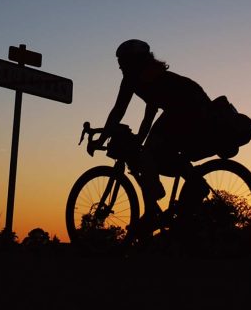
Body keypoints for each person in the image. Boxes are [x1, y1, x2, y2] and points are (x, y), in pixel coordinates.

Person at [88, 39, 214, 229]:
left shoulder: (148, 76)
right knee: (157, 152)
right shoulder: (136, 77)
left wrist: (110, 139)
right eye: (119, 62)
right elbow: (122, 110)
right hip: (180, 110)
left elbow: (144, 112)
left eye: (122, 62)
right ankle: (189, 186)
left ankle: (153, 211)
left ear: (134, 61)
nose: (120, 66)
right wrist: (113, 138)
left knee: (149, 153)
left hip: (191, 108)